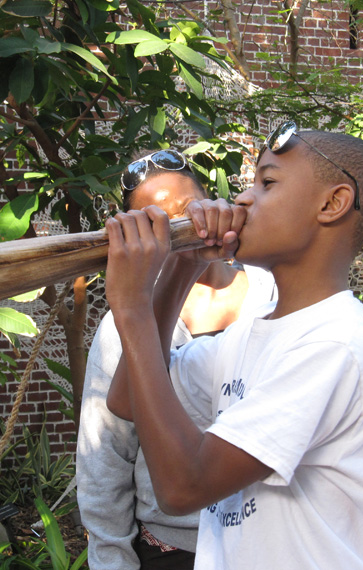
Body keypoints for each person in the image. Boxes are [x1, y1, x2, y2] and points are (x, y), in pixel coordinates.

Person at [103, 125, 363, 569]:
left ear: (332, 204)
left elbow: (183, 488)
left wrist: (133, 307)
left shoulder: (336, 344)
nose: (242, 199)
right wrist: (183, 266)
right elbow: (127, 399)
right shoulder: (250, 333)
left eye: (267, 182)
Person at [76, 149, 276, 570]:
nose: (177, 230)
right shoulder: (123, 324)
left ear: (213, 205)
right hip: (171, 550)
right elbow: (105, 453)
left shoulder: (274, 301)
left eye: (188, 211)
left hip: (267, 542)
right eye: (154, 223)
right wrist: (112, 559)